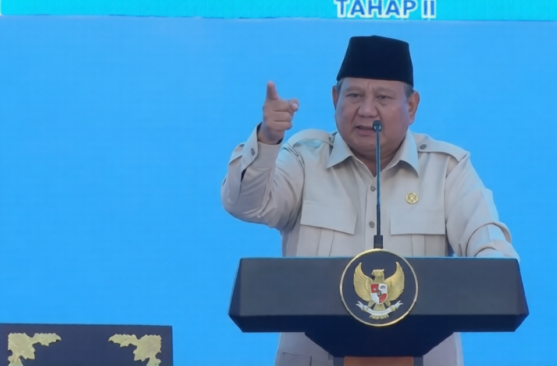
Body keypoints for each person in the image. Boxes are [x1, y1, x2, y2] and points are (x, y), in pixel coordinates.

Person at [221, 35, 519, 366]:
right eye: (353, 95)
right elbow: (246, 204)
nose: (365, 110)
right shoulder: (304, 159)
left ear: (412, 106)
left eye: (383, 97)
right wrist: (268, 139)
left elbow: (493, 255)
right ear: (335, 98)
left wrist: (493, 272)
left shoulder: (446, 169)